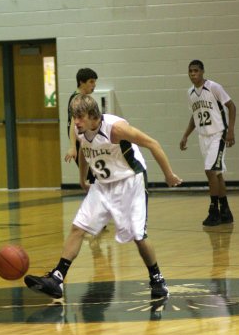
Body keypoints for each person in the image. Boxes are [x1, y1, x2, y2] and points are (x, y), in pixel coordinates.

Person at [25, 94, 182, 300]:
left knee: (138, 235)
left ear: (93, 116)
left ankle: (157, 278)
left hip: (130, 180)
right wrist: (83, 179)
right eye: (74, 117)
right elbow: (84, 151)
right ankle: (57, 278)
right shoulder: (80, 130)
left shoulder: (116, 129)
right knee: (78, 227)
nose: (76, 121)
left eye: (79, 117)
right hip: (102, 184)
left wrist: (168, 174)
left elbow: (153, 144)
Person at [180, 60, 236, 226]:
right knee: (217, 174)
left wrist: (231, 130)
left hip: (218, 134)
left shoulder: (214, 87)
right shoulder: (190, 92)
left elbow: (232, 107)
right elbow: (195, 116)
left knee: (210, 170)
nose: (193, 74)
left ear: (203, 72)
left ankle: (214, 210)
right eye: (190, 71)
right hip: (203, 136)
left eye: (196, 71)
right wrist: (185, 135)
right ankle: (225, 211)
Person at [64, 68, 98, 165]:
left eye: (95, 82)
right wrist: (73, 146)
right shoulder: (79, 100)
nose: (94, 85)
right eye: (91, 82)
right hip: (82, 143)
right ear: (81, 82)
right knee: (91, 176)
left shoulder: (76, 97)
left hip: (83, 142)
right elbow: (73, 123)